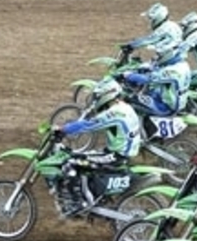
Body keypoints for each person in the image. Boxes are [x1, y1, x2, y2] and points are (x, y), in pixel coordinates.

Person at [54, 78, 142, 215]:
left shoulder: (115, 113)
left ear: (107, 95)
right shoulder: (125, 107)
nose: (96, 100)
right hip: (121, 152)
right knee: (82, 157)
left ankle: (78, 204)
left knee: (70, 162)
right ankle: (90, 193)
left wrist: (63, 129)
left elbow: (88, 125)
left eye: (98, 96)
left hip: (116, 156)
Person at [121, 34, 191, 117]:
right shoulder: (182, 64)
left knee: (130, 99)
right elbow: (158, 71)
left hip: (166, 107)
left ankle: (138, 124)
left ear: (168, 54)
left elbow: (148, 79)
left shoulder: (173, 71)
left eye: (159, 54)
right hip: (172, 100)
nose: (156, 56)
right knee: (150, 92)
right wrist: (148, 68)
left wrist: (129, 75)